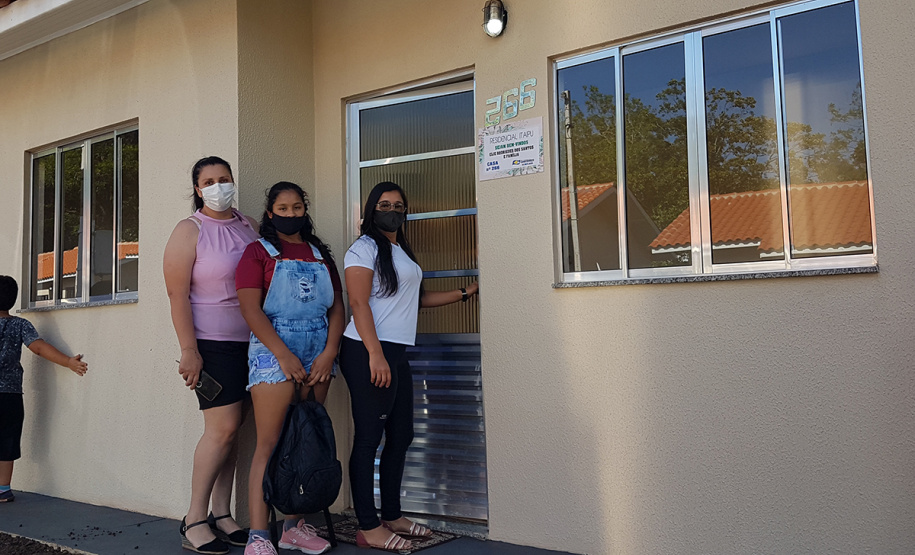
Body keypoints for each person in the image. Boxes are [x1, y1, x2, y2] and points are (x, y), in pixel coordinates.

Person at [340, 181, 479, 552]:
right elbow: (358, 303)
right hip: (367, 349)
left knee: (401, 435)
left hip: (395, 351)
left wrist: (464, 293)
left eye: (399, 205)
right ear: (371, 210)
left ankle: (393, 515)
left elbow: (414, 300)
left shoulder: (399, 250)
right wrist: (374, 354)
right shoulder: (363, 248)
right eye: (385, 204)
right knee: (370, 437)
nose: (393, 210)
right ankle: (368, 527)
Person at [235, 181, 344, 555]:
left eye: (297, 208)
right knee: (269, 444)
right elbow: (250, 309)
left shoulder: (320, 254)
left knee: (306, 441)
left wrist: (330, 352)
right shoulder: (256, 253)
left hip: (318, 350)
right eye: (282, 209)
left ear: (304, 211)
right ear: (270, 213)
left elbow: (337, 308)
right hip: (273, 348)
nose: (290, 214)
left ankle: (294, 527)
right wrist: (282, 354)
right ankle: (260, 535)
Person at [163, 156, 259, 555]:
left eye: (224, 178)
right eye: (209, 181)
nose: (218, 185)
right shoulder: (189, 231)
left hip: (254, 343)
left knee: (234, 430)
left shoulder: (249, 225)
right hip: (212, 344)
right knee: (219, 430)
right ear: (198, 189)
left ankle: (222, 513)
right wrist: (189, 350)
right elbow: (176, 295)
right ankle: (195, 518)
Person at [0, 275, 88, 504]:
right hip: (9, 395)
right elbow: (39, 348)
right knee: (7, 440)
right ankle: (3, 489)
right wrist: (68, 361)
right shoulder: (20, 324)